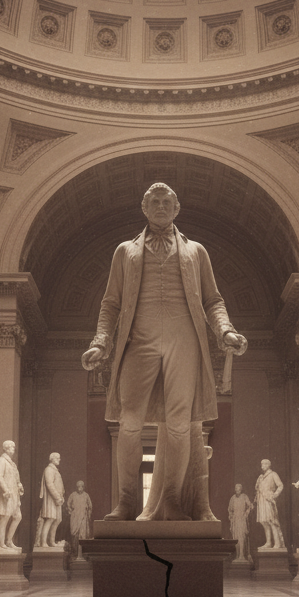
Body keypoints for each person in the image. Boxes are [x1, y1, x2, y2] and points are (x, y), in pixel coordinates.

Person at [81, 183, 246, 522]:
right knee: (128, 423)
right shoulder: (125, 251)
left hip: (184, 341)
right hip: (138, 341)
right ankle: (126, 503)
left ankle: (170, 500)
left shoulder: (196, 251)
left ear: (176, 208)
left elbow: (213, 300)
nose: (160, 206)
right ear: (144, 208)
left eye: (166, 201)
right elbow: (110, 303)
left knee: (180, 424)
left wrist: (225, 330)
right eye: (153, 201)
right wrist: (100, 341)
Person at [254, 459, 285, 548]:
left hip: (268, 499)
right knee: (264, 522)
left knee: (271, 521)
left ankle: (278, 543)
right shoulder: (261, 477)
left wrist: (274, 495)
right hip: (261, 500)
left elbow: (280, 485)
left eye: (263, 464)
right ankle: (268, 542)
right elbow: (257, 488)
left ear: (268, 465)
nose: (262, 466)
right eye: (261, 464)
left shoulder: (273, 474)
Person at [37, 452, 65, 547]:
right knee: (50, 519)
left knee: (57, 520)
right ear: (52, 459)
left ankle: (51, 541)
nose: (59, 460)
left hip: (57, 499)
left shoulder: (55, 470)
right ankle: (43, 542)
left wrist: (60, 497)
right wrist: (57, 497)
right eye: (57, 458)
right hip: (51, 499)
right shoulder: (49, 469)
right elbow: (50, 484)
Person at [66, 480, 92, 560]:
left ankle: (81, 555)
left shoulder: (86, 495)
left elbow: (90, 507)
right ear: (76, 487)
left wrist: (88, 515)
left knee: (82, 535)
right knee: (74, 535)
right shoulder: (73, 495)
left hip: (83, 518)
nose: (79, 488)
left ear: (83, 487)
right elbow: (68, 505)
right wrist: (71, 513)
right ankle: (75, 553)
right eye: (78, 486)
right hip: (75, 518)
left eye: (81, 486)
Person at [227, 482, 254, 561]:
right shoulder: (233, 498)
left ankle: (242, 555)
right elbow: (230, 509)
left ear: (241, 489)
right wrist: (231, 516)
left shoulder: (244, 496)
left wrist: (246, 513)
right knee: (235, 538)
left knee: (242, 537)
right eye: (236, 488)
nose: (237, 490)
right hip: (235, 520)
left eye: (238, 489)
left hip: (242, 519)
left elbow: (250, 506)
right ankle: (237, 555)